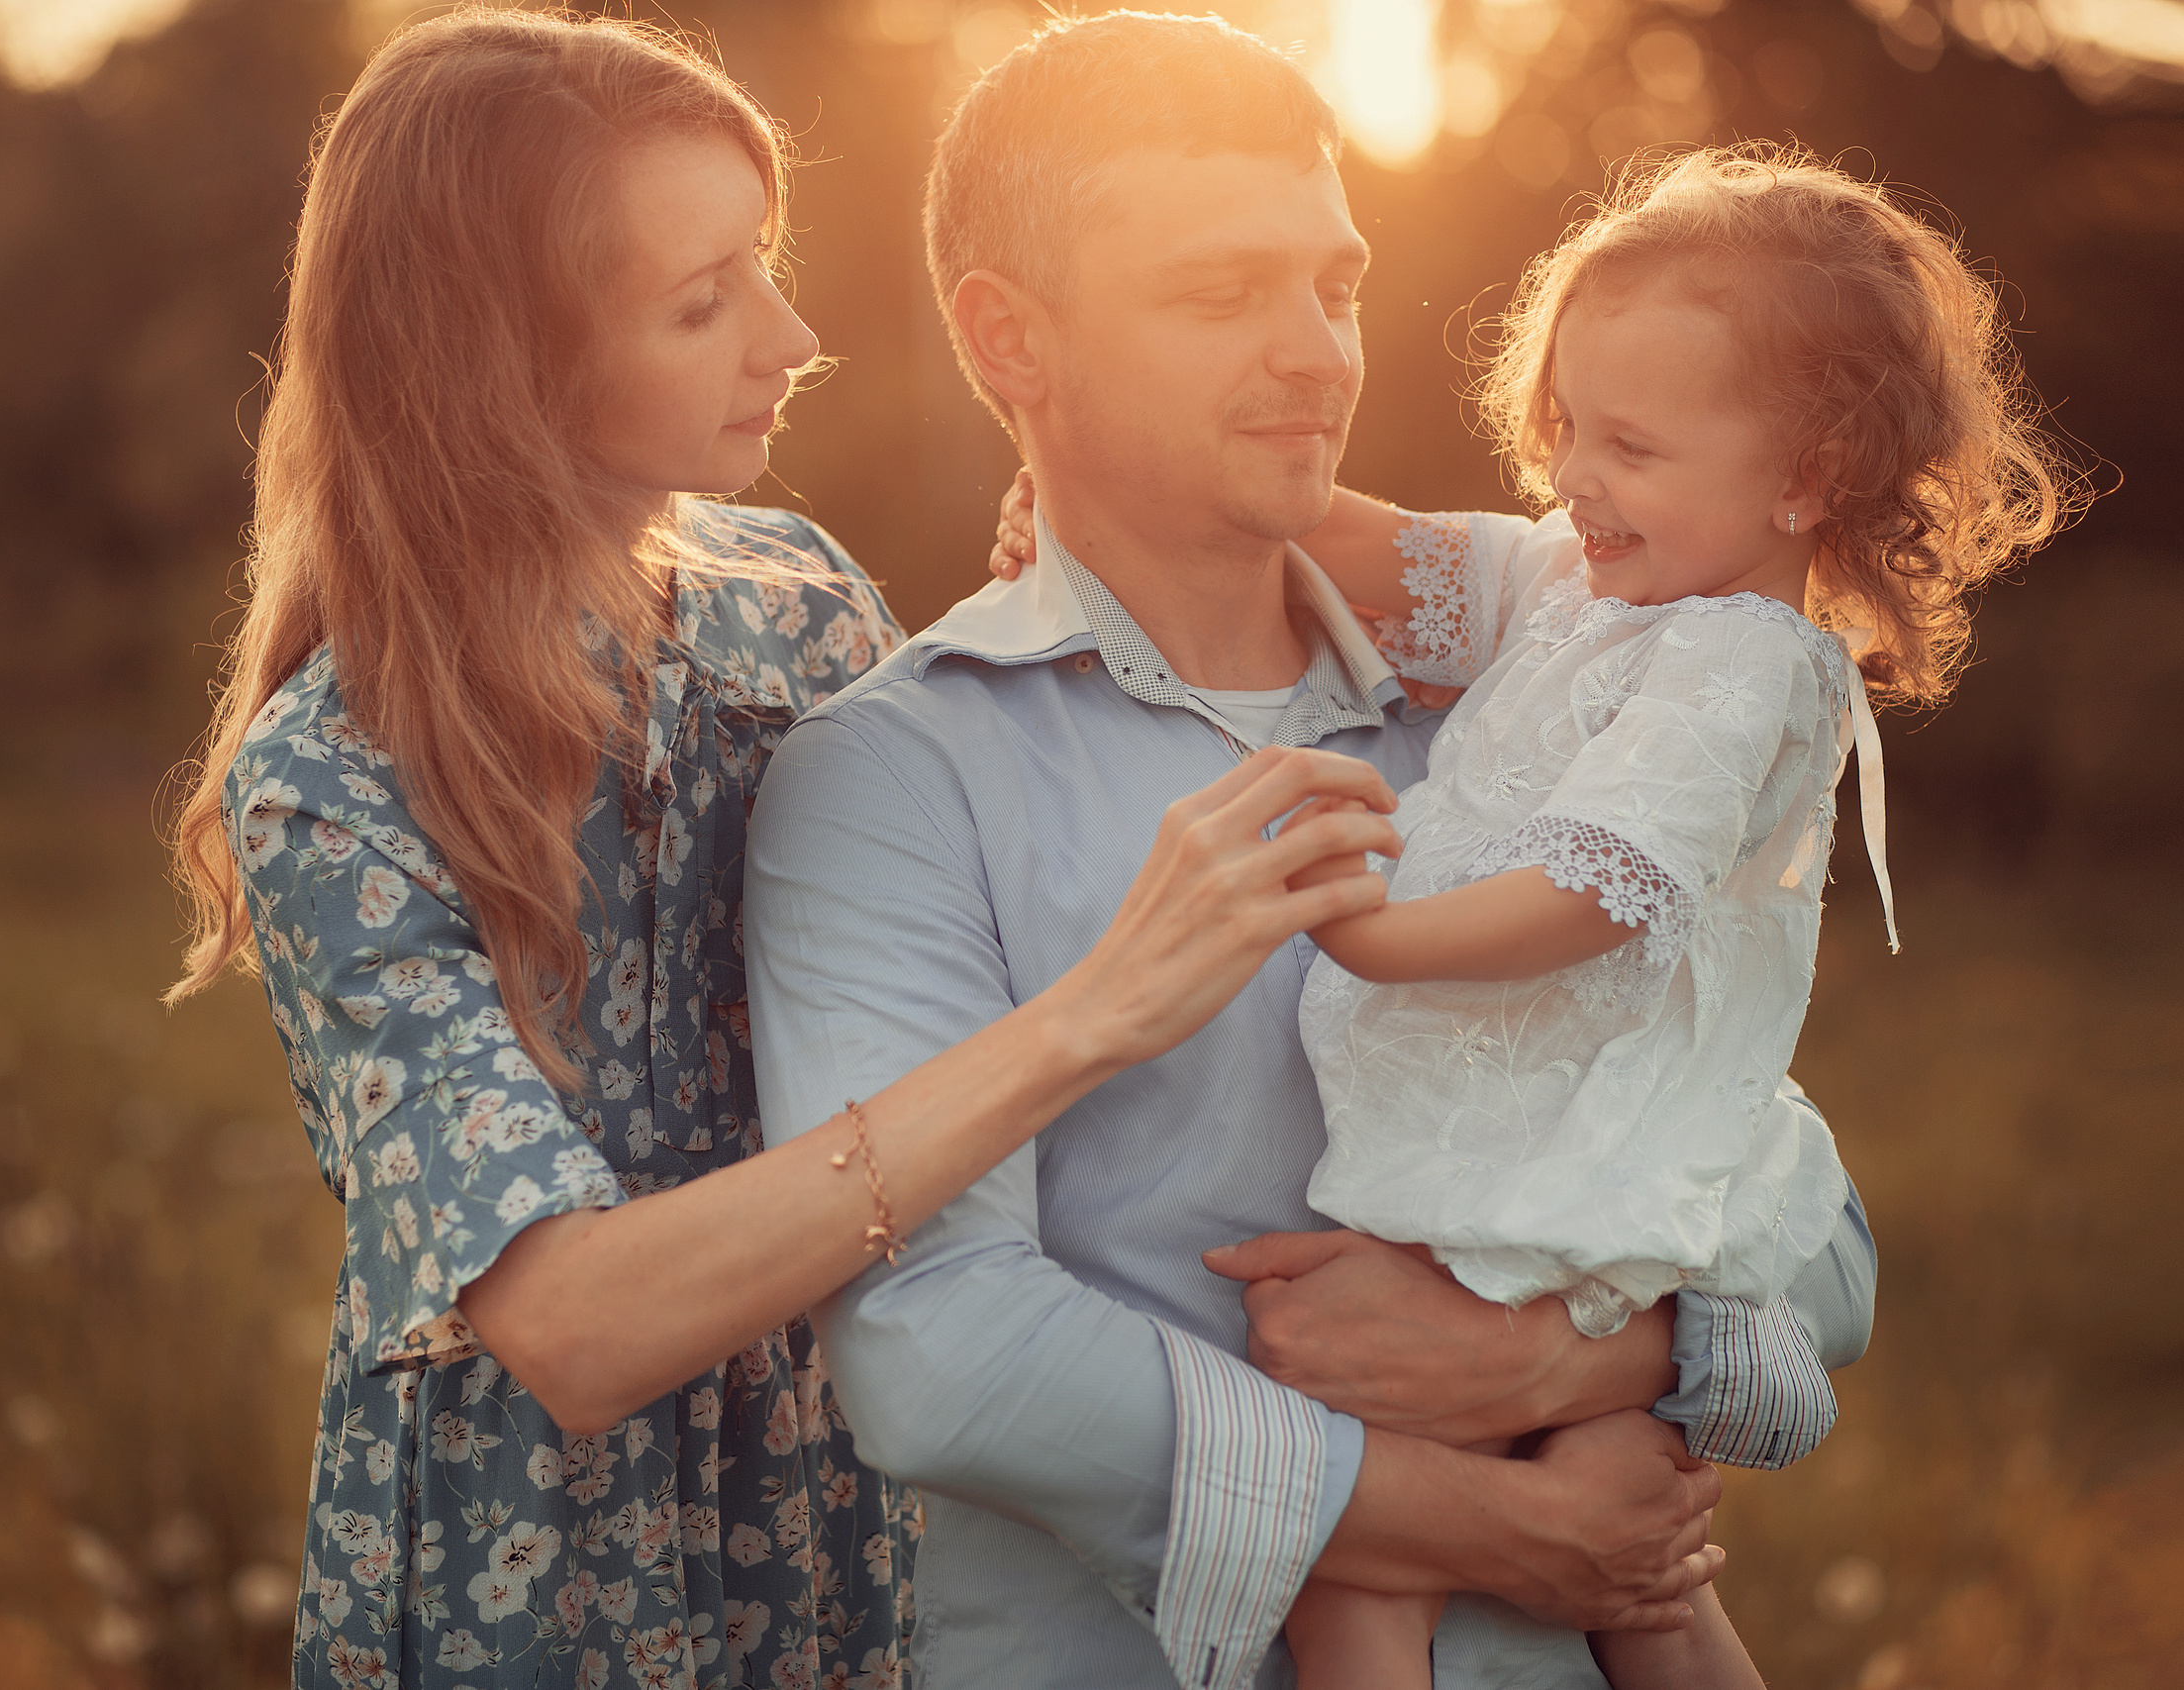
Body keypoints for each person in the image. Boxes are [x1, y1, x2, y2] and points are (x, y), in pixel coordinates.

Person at [163, 15, 1401, 1688]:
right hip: (541, 1576)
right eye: (702, 302)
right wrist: (1089, 1017)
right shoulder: (331, 782)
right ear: (503, 360)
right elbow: (575, 1328)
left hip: (835, 1515)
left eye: (762, 265)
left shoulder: (792, 600)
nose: (794, 334)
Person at [745, 17, 1877, 1689]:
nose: (1318, 356)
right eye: (1222, 296)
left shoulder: (1543, 697)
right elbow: (941, 1357)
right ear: (1009, 342)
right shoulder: (898, 777)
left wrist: (1560, 1364)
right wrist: (1485, 1520)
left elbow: (1823, 1242)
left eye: (1334, 286)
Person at [1232, 147, 2065, 1689]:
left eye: (1627, 442)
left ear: (1805, 477)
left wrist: (1368, 934)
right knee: (1643, 1583)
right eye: (1564, 429)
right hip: (1532, 1136)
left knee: (1361, 1565)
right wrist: (1114, 500)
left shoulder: (1739, 660)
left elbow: (1600, 888)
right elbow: (1391, 549)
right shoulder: (1596, 583)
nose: (1573, 478)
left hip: (1574, 1163)